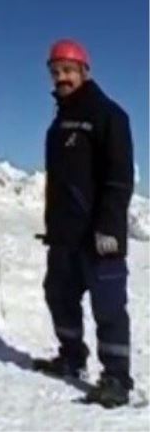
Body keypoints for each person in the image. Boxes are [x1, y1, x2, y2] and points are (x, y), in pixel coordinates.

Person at [33, 39, 134, 407]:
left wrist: (108, 228)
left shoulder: (109, 116)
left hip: (99, 236)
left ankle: (117, 379)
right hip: (65, 237)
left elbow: (119, 179)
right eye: (56, 71)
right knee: (58, 297)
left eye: (68, 71)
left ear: (84, 72)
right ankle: (71, 358)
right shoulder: (59, 123)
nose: (62, 77)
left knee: (108, 307)